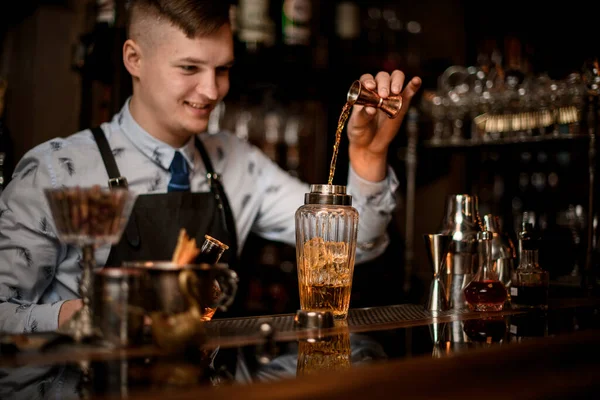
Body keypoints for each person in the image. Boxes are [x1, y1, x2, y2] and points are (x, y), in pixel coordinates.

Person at [0, 0, 421, 334]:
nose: (211, 90)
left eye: (222, 70)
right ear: (134, 59)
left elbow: (355, 245)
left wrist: (367, 155)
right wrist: (66, 317)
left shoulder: (236, 163)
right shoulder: (58, 170)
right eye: (190, 68)